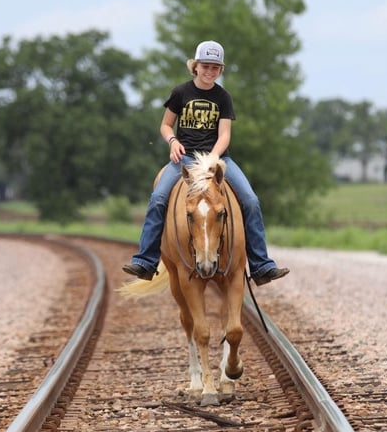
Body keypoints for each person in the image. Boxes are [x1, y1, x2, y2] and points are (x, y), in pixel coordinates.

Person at [122, 40, 289, 287]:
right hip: (187, 158)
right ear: (195, 66)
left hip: (218, 159)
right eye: (205, 66)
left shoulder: (223, 97)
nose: (210, 71)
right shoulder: (181, 92)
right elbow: (166, 124)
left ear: (220, 70)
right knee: (158, 198)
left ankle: (261, 265)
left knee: (251, 200)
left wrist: (214, 157)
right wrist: (172, 141)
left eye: (215, 67)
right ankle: (146, 260)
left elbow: (225, 135)